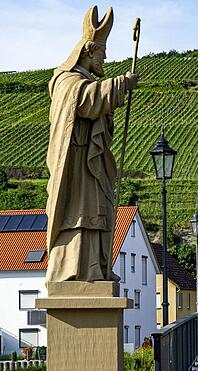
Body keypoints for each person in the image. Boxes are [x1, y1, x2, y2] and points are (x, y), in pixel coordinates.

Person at [46, 5, 139, 282]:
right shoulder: (67, 80)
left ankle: (94, 269)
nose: (105, 56)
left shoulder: (81, 80)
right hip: (75, 166)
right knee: (80, 213)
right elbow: (86, 102)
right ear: (88, 50)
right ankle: (71, 271)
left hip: (90, 162)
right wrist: (121, 84)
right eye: (101, 51)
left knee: (98, 209)